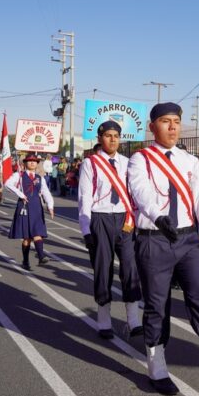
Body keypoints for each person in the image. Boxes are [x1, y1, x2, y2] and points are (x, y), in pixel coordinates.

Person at [127, 102, 199, 396]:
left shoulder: (190, 161)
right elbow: (140, 191)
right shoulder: (140, 159)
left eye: (176, 121)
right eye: (165, 121)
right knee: (157, 306)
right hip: (154, 238)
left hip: (188, 239)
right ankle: (157, 368)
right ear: (153, 127)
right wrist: (158, 215)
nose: (172, 127)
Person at [78, 120, 143, 340]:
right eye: (108, 135)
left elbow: (135, 193)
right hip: (100, 218)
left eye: (116, 135)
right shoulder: (91, 163)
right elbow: (85, 196)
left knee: (130, 267)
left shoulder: (128, 162)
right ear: (100, 138)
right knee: (103, 269)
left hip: (124, 218)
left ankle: (133, 320)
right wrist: (86, 229)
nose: (113, 139)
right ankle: (104, 320)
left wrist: (134, 220)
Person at [5, 153, 55, 270]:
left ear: (37, 164)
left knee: (38, 232)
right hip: (24, 207)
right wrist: (21, 194)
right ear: (25, 163)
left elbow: (46, 192)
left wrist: (50, 206)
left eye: (34, 161)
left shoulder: (40, 178)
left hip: (37, 207)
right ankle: (25, 260)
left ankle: (41, 256)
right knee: (27, 237)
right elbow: (7, 184)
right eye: (29, 161)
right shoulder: (19, 175)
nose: (32, 163)